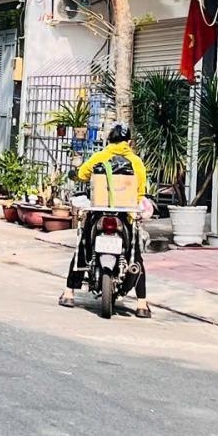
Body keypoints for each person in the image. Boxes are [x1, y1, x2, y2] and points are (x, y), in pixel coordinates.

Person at [63, 122, 152, 316]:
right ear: (129, 142)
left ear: (109, 140)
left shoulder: (100, 156)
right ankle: (142, 304)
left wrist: (75, 174)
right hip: (126, 214)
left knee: (83, 247)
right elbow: (141, 190)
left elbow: (82, 174)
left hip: (99, 212)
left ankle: (69, 293)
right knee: (135, 255)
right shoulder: (136, 162)